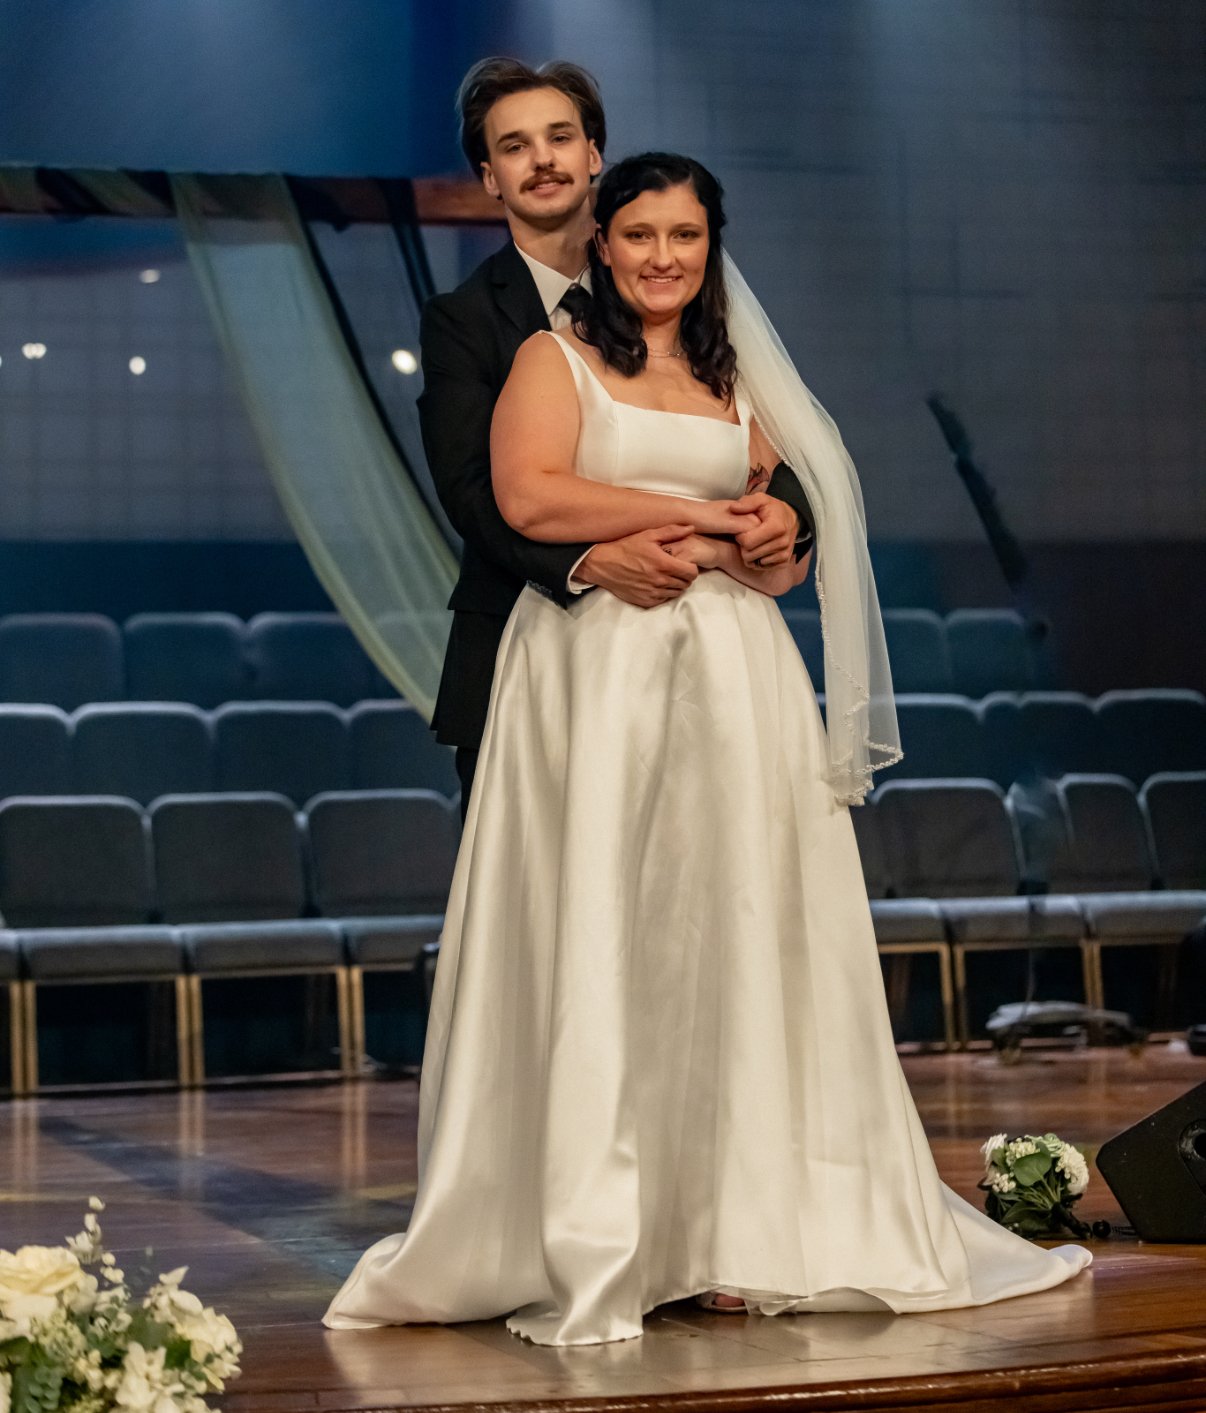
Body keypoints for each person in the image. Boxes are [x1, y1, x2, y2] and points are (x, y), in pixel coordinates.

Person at [325, 152, 1091, 1346]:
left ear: (709, 245)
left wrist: (779, 528)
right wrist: (693, 517)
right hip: (595, 675)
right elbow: (527, 499)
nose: (662, 256)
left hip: (736, 679)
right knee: (609, 925)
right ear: (605, 245)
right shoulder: (555, 359)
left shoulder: (741, 387)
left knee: (735, 929)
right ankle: (604, 1225)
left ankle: (742, 1220)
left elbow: (783, 546)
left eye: (683, 235)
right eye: (638, 235)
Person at [418, 58, 812, 816]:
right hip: (527, 642)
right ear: (490, 177)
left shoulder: (674, 282)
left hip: (708, 657)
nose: (543, 159)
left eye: (560, 137)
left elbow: (782, 438)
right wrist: (590, 561)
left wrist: (791, 511)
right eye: (515, 146)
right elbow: (474, 493)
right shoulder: (462, 320)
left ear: (593, 154)